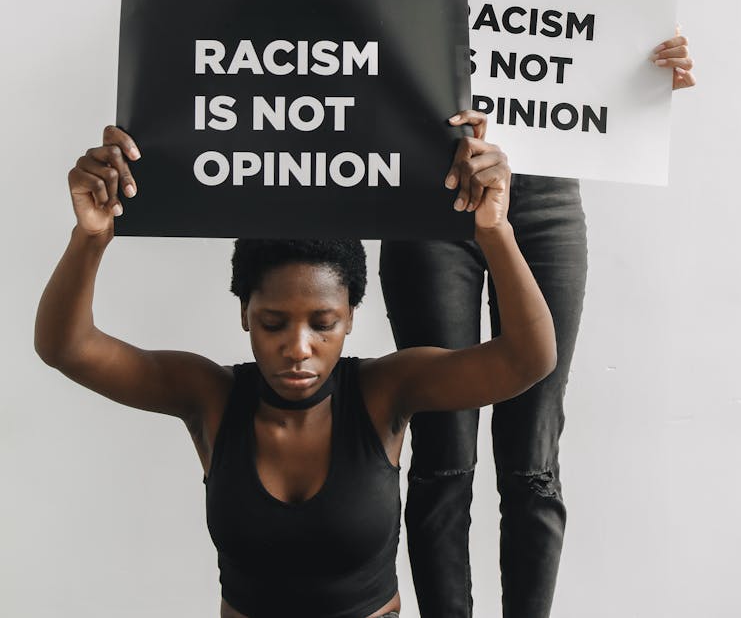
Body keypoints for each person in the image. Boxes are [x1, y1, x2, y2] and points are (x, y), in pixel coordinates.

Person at [365, 0, 695, 618]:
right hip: (429, 208)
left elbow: (599, 82)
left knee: (534, 444)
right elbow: (375, 84)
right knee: (443, 442)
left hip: (545, 208)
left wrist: (656, 70)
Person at [35, 112, 556, 618]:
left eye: (322, 323)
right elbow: (68, 347)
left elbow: (527, 360)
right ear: (244, 314)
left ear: (351, 316)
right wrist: (90, 238)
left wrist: (494, 233)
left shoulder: (384, 391)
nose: (298, 347)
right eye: (274, 323)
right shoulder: (209, 397)